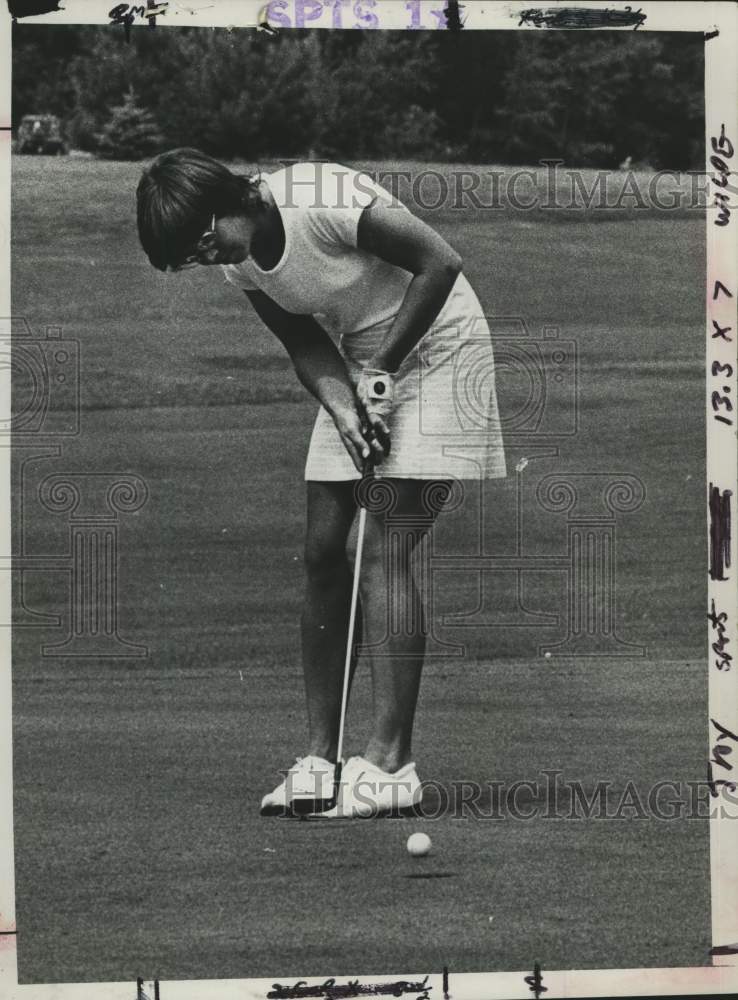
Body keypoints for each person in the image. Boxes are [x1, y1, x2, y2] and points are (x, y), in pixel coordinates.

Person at [136, 149, 506, 818]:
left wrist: (383, 370)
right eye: (191, 258)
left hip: (444, 348)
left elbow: (441, 263)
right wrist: (343, 406)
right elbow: (305, 345)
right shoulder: (239, 261)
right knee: (323, 550)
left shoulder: (318, 195)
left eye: (203, 240)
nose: (208, 258)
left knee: (382, 544)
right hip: (365, 362)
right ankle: (320, 760)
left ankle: (391, 766)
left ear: (224, 202)